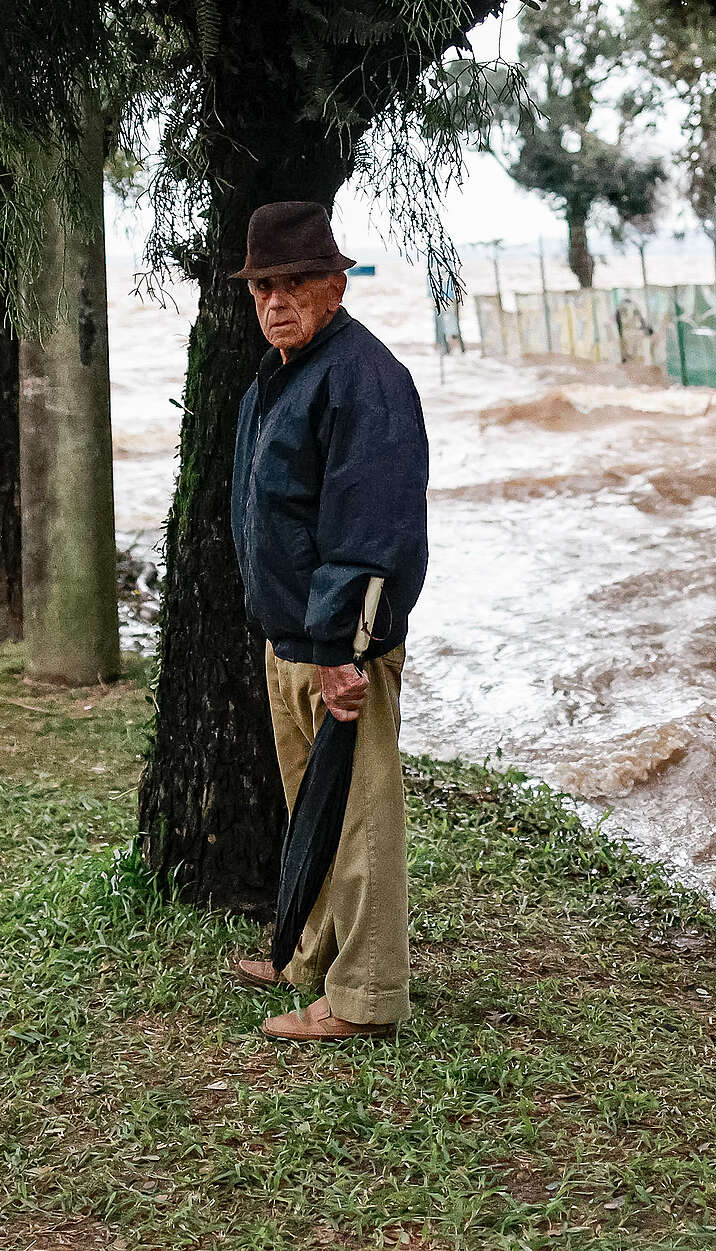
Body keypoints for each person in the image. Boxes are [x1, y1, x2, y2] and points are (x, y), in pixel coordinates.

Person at [225, 201, 429, 1041]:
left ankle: (365, 997)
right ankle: (308, 956)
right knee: (312, 802)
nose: (276, 299)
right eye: (263, 285)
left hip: (339, 647)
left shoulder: (365, 378)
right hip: (294, 640)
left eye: (296, 282)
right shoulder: (282, 371)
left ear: (336, 285)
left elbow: (372, 530)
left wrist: (342, 650)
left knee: (360, 816)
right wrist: (293, 638)